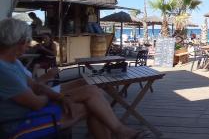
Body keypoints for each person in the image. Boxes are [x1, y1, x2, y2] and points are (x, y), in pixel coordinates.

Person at [0, 18, 142, 139]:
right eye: (27, 42)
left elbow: (36, 86)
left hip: (30, 112)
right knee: (92, 103)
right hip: (19, 125)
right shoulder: (3, 71)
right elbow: (36, 103)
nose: (28, 46)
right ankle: (120, 130)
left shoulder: (13, 62)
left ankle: (120, 131)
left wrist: (60, 97)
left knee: (92, 94)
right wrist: (57, 97)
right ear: (19, 42)